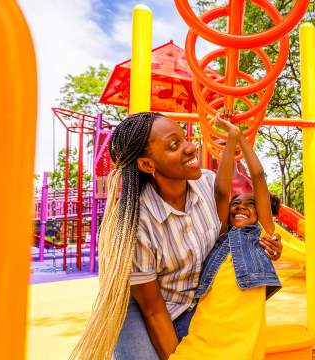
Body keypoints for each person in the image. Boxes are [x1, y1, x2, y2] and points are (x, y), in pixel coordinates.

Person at [69, 112, 283, 360]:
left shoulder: (208, 186)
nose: (191, 148)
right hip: (148, 307)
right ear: (148, 165)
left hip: (193, 300)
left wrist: (266, 247)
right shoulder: (135, 225)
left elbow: (237, 237)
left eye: (184, 138)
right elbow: (153, 311)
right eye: (175, 145)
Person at [170, 120, 280, 359]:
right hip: (209, 321)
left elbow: (258, 177)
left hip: (240, 327)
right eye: (236, 204)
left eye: (250, 204)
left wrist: (239, 137)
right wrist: (229, 139)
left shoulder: (262, 230)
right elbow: (221, 189)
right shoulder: (221, 232)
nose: (241, 207)